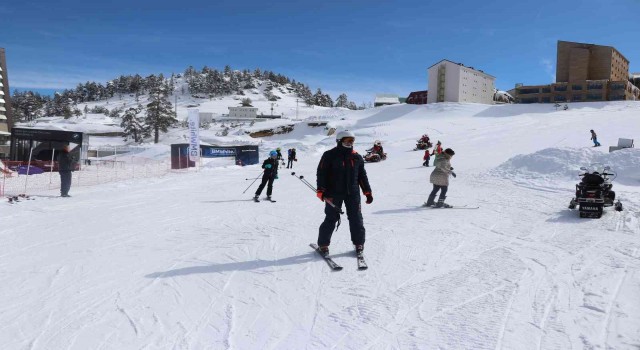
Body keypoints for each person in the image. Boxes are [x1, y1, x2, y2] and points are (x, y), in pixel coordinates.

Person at [316, 130, 373, 255]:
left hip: (353, 193)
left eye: (352, 141)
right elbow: (321, 173)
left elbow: (362, 176)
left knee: (356, 218)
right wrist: (321, 190)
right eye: (347, 140)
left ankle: (359, 243)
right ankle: (323, 245)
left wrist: (367, 192)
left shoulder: (357, 157)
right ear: (340, 141)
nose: (350, 143)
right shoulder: (329, 155)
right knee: (331, 218)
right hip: (333, 193)